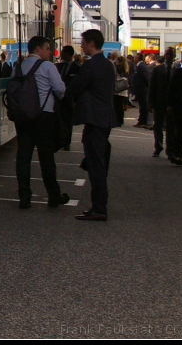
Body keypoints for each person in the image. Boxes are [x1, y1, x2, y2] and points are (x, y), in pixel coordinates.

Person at [66, 28, 116, 222]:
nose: (82, 45)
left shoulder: (91, 66)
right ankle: (98, 206)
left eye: (84, 42)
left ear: (92, 44)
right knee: (97, 162)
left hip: (94, 118)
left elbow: (75, 87)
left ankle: (99, 207)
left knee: (96, 166)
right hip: (104, 118)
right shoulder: (107, 64)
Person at [14, 36, 70, 210]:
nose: (49, 51)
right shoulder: (47, 66)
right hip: (44, 117)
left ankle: (24, 197)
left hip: (23, 118)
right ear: (38, 49)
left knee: (23, 158)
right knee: (46, 158)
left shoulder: (18, 67)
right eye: (47, 48)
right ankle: (53, 195)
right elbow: (60, 89)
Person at [148, 48, 175, 158]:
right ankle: (158, 147)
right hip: (159, 101)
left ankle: (170, 150)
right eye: (167, 54)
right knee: (158, 126)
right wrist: (150, 102)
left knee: (171, 127)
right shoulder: (157, 69)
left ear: (174, 56)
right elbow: (152, 86)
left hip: (172, 103)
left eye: (171, 54)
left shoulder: (177, 69)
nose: (168, 56)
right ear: (164, 55)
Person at [56, 45, 81, 151]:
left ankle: (67, 142)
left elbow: (79, 85)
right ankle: (60, 140)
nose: (61, 54)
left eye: (62, 52)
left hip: (69, 99)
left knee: (68, 121)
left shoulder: (77, 68)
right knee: (59, 119)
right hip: (58, 98)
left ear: (67, 54)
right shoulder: (58, 66)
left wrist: (75, 100)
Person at [131, 53, 152, 128]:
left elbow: (145, 77)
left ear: (138, 58)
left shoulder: (141, 66)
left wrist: (146, 86)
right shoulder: (141, 66)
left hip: (142, 89)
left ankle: (143, 121)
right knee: (142, 106)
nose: (134, 58)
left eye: (135, 57)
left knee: (143, 106)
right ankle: (141, 121)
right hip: (142, 89)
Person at [113, 56, 130, 126]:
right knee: (120, 106)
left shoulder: (118, 67)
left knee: (116, 106)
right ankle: (120, 120)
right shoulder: (126, 67)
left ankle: (117, 120)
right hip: (123, 88)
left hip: (118, 88)